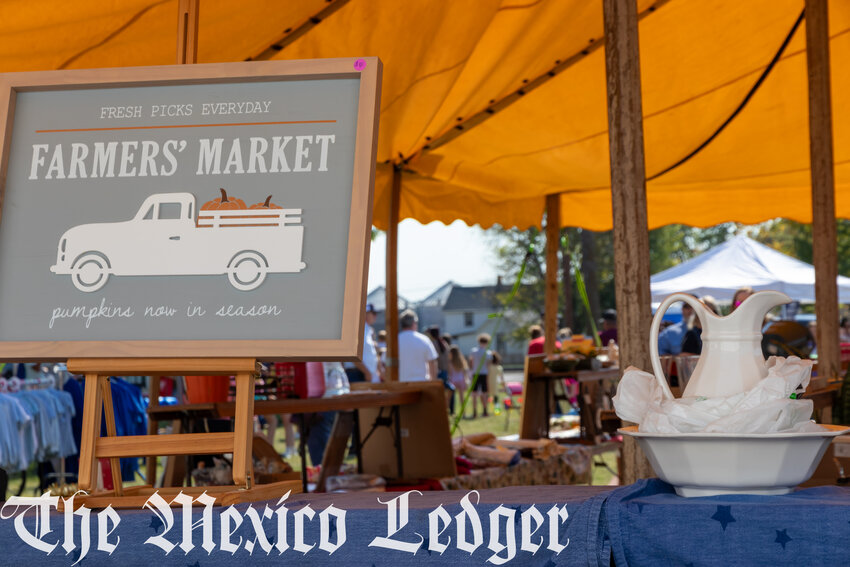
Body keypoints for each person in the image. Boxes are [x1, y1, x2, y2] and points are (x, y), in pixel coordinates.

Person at [344, 303, 383, 383]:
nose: (375, 316)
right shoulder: (358, 328)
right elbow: (352, 353)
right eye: (373, 313)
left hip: (363, 375)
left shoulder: (367, 330)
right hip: (357, 374)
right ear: (365, 314)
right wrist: (366, 372)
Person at [397, 309, 438, 382]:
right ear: (414, 323)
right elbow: (432, 362)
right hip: (421, 385)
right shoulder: (424, 340)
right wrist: (433, 382)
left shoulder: (395, 341)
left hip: (401, 386)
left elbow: (385, 363)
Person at [427, 325, 455, 412]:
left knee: (439, 393)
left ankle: (441, 409)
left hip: (437, 372)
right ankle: (450, 408)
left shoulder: (433, 345)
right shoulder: (444, 344)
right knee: (447, 390)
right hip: (444, 371)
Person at [468, 334, 492, 418]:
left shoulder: (473, 351)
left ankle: (475, 412)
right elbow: (488, 365)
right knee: (485, 392)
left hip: (475, 373)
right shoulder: (488, 353)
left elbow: (471, 363)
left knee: (474, 393)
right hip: (484, 373)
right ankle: (485, 411)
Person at [448, 345, 470, 415]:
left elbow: (450, 372)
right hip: (461, 380)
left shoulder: (450, 362)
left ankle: (450, 412)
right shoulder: (461, 361)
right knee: (461, 398)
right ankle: (464, 413)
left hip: (453, 381)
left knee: (450, 398)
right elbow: (465, 371)